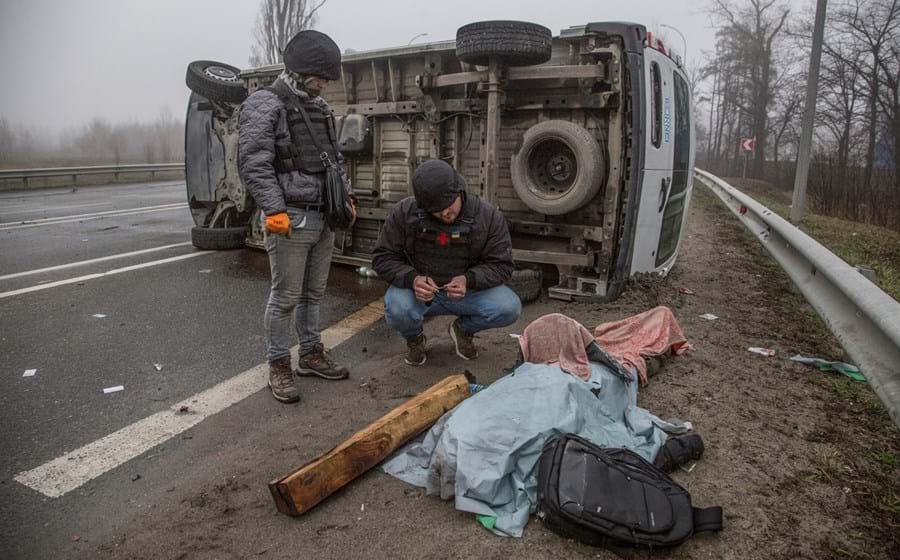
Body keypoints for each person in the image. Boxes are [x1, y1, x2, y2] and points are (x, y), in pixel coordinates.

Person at [238, 29, 354, 404]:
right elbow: (254, 164)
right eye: (321, 77)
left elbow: (334, 160)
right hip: (291, 217)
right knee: (285, 296)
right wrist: (273, 209)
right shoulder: (264, 103)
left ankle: (310, 353)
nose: (325, 84)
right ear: (302, 70)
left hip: (324, 216)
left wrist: (345, 197)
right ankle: (278, 364)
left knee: (313, 293)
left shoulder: (319, 108)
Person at [372, 159, 522, 365]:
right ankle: (414, 339)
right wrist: (412, 279)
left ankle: (463, 330)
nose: (444, 213)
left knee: (508, 307)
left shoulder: (488, 217)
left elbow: (502, 266)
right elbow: (382, 258)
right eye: (436, 209)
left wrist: (469, 279)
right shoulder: (404, 213)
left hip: (466, 293)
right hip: (419, 294)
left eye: (448, 205)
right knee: (397, 307)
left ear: (459, 191)